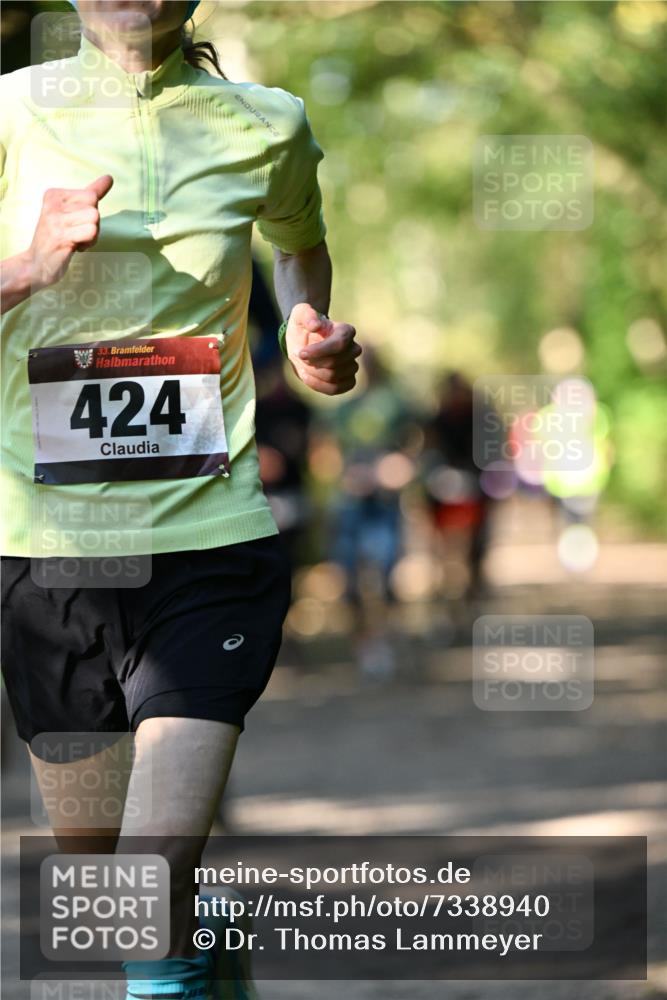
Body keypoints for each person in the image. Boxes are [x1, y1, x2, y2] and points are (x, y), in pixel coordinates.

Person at [0, 3, 361, 998]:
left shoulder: (265, 122)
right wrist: (27, 268)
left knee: (149, 875)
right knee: (114, 893)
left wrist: (306, 328)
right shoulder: (10, 112)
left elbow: (299, 246)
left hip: (209, 539)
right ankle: (202, 938)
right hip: (47, 551)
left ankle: (173, 961)